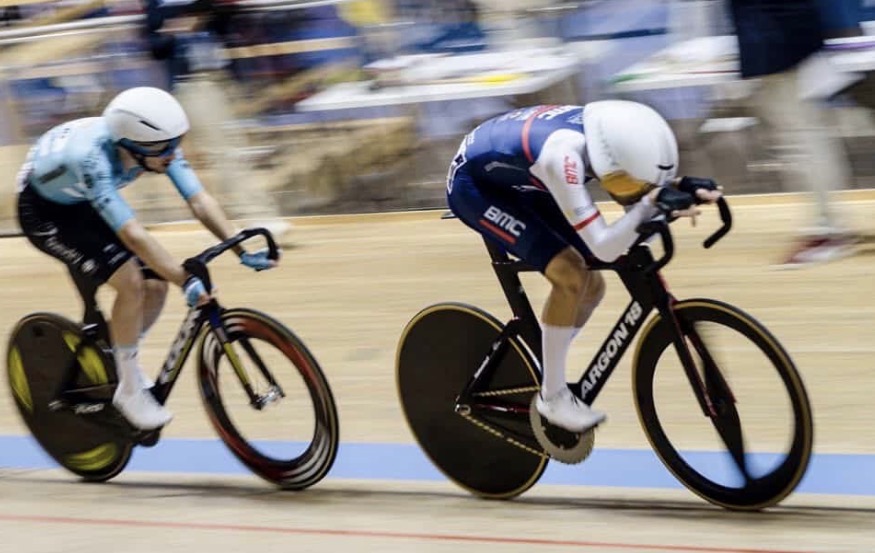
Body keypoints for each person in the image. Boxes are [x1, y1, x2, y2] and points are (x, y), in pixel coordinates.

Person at [445, 101, 722, 433]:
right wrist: (651, 203)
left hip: (521, 176)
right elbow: (604, 248)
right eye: (629, 184)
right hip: (477, 188)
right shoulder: (561, 157)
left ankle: (547, 362)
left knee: (594, 286)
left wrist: (675, 186)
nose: (631, 193)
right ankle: (552, 397)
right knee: (571, 276)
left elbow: (637, 178)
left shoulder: (607, 135)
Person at [15, 86, 278, 431]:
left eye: (176, 142)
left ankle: (119, 355)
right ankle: (127, 389)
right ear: (132, 147)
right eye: (163, 148)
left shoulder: (154, 146)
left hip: (78, 200)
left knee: (156, 286)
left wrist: (239, 247)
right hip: (44, 214)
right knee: (131, 282)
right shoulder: (92, 160)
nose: (173, 154)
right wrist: (184, 278)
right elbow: (133, 235)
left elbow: (199, 200)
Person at [728, 0, 859, 267]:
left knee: (802, 140)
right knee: (807, 135)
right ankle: (829, 226)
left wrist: (762, 51)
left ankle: (828, 231)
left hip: (778, 43)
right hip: (785, 39)